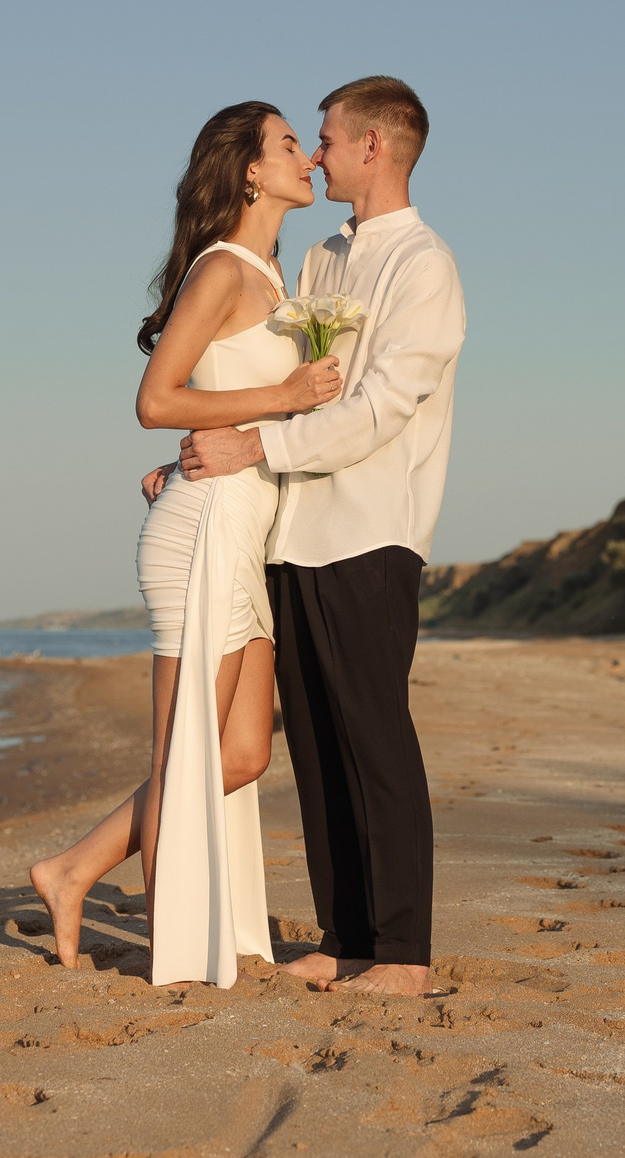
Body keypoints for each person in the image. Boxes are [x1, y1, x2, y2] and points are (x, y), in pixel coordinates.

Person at [26, 101, 342, 986]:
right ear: (248, 169)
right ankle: (173, 954)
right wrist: (282, 399)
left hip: (243, 529)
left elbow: (216, 395)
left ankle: (75, 867)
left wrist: (243, 421)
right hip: (202, 532)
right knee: (184, 754)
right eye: (288, 145)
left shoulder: (275, 276)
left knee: (241, 754)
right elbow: (156, 397)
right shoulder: (224, 271)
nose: (306, 158)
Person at [175, 76, 465, 996]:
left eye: (329, 139)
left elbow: (380, 407)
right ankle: (345, 936)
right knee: (315, 743)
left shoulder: (424, 265)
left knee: (376, 737)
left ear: (374, 147)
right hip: (292, 531)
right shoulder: (321, 261)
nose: (316, 155)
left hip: (372, 531)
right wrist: (217, 454)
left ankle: (405, 953)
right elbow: (287, 381)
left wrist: (255, 441)